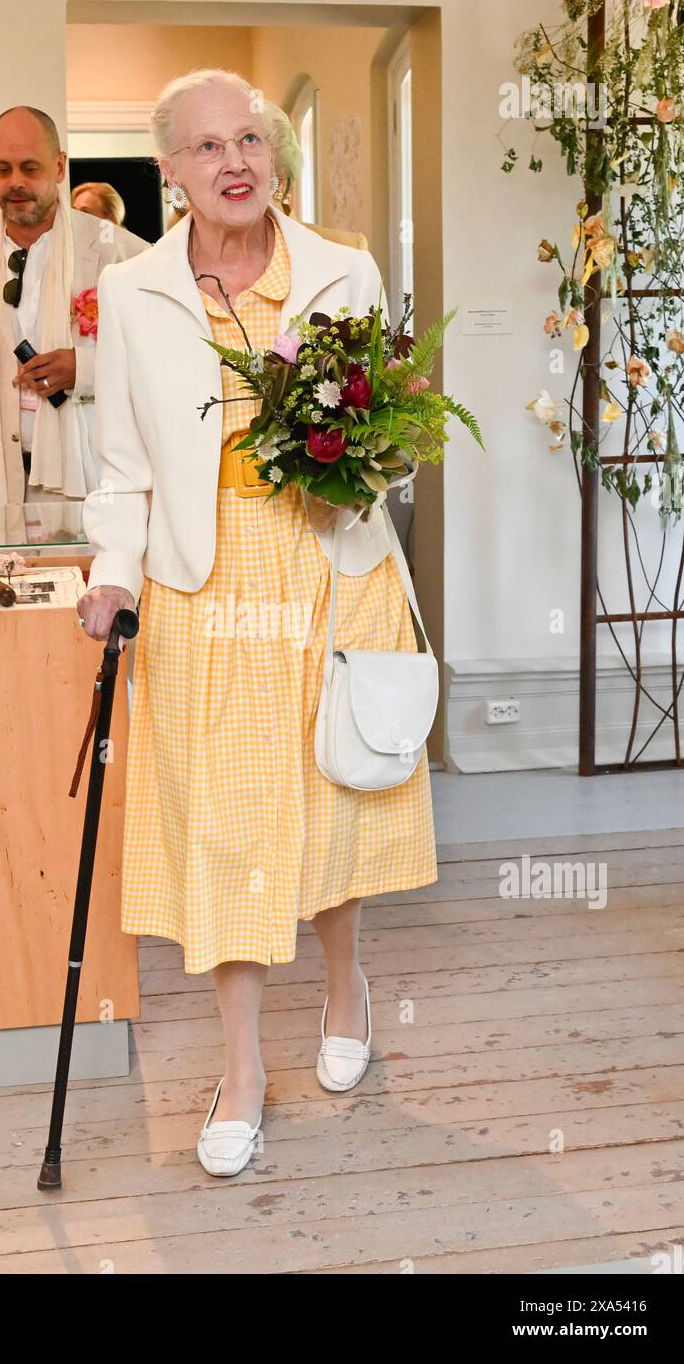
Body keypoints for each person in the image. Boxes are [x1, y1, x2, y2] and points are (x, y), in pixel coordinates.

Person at [78, 69, 437, 1178]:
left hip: (329, 567)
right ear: (172, 172)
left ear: (274, 154)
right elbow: (121, 464)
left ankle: (343, 990)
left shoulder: (344, 269)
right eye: (204, 146)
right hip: (200, 588)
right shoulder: (134, 296)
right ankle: (241, 1068)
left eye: (249, 139)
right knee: (224, 828)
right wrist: (113, 572)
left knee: (331, 804)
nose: (231, 161)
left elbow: (390, 428)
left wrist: (356, 462)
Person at [0, 106, 149, 507]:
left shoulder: (121, 253)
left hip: (91, 480)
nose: (16, 183)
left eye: (30, 168)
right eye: (3, 169)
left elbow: (159, 362)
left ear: (59, 166)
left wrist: (82, 369)